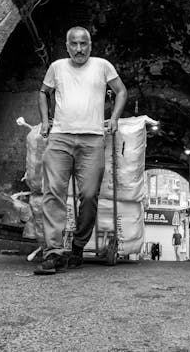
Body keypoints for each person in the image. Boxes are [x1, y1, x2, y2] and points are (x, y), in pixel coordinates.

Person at [34, 26, 127, 275]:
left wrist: (115, 118)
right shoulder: (56, 67)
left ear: (90, 45)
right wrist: (45, 119)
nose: (79, 49)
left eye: (83, 44)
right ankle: (52, 252)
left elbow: (121, 91)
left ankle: (77, 244)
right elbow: (44, 92)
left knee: (88, 195)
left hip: (93, 139)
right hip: (60, 138)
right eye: (74, 44)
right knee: (53, 192)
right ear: (67, 46)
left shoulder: (102, 66)